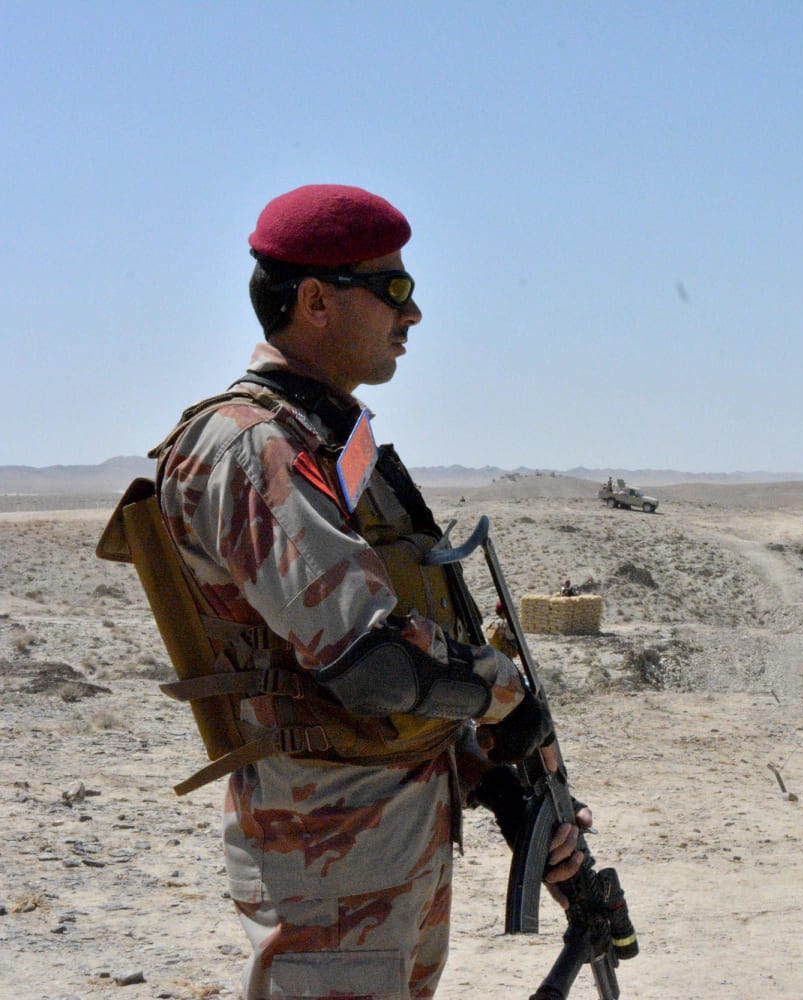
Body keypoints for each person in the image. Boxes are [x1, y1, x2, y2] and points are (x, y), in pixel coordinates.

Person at [148, 184, 591, 999]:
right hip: (330, 844)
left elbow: (401, 641)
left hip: (390, 827)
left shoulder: (331, 440)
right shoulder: (256, 447)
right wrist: (501, 694)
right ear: (315, 301)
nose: (413, 313)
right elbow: (368, 659)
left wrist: (497, 780)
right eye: (392, 289)